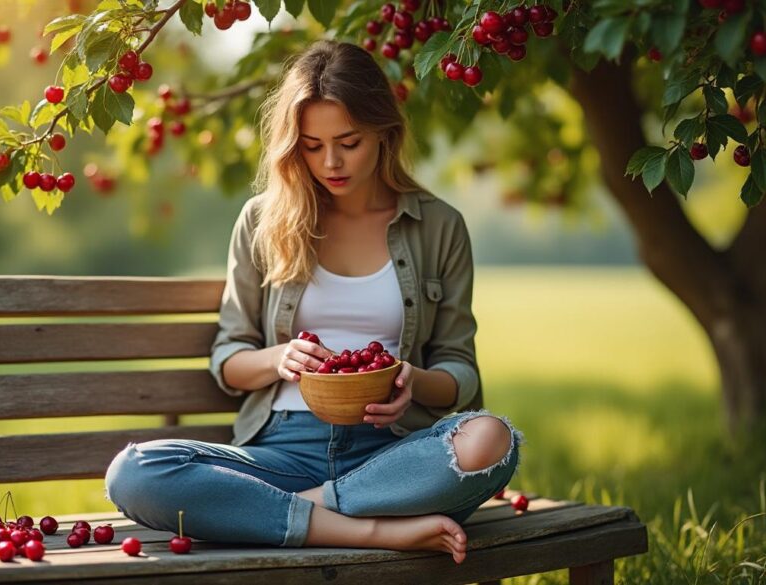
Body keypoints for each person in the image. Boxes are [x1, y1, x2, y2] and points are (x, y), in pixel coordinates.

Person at [105, 39, 522, 565]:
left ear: (383, 133)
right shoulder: (263, 220)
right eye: (311, 145)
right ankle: (374, 531)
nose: (331, 162)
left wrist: (411, 379)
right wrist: (278, 359)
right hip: (283, 449)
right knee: (134, 472)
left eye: (349, 142)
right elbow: (228, 359)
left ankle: (289, 513)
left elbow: (460, 372)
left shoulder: (440, 227)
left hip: (393, 456)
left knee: (493, 439)